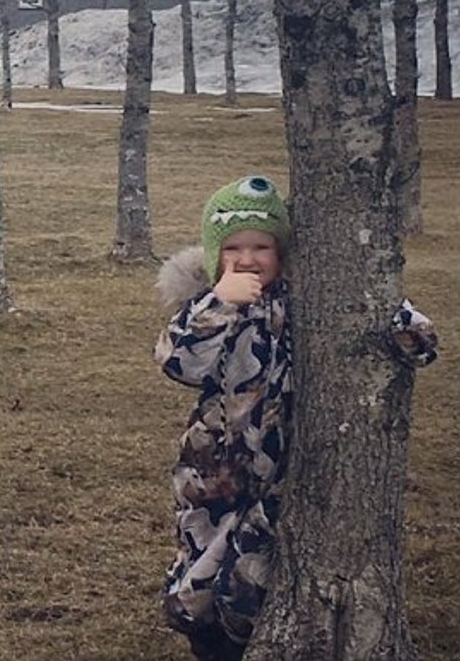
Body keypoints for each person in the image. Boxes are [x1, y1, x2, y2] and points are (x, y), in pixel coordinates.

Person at [153, 175, 439, 660]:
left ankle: (242, 641)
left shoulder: (311, 300)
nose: (247, 259)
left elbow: (421, 345)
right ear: (213, 254)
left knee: (252, 573)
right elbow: (178, 362)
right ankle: (202, 635)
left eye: (261, 246)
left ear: (282, 250)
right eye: (233, 248)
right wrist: (219, 302)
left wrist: (400, 325)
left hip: (286, 469)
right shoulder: (207, 306)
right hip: (216, 470)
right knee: (199, 571)